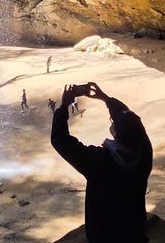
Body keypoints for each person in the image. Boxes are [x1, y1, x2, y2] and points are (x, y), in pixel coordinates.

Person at [51, 83, 152, 243]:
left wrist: (64, 106)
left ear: (116, 132)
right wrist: (105, 98)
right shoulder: (144, 152)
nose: (111, 121)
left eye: (113, 121)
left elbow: (60, 141)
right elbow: (134, 124)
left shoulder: (101, 160)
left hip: (105, 235)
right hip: (134, 231)